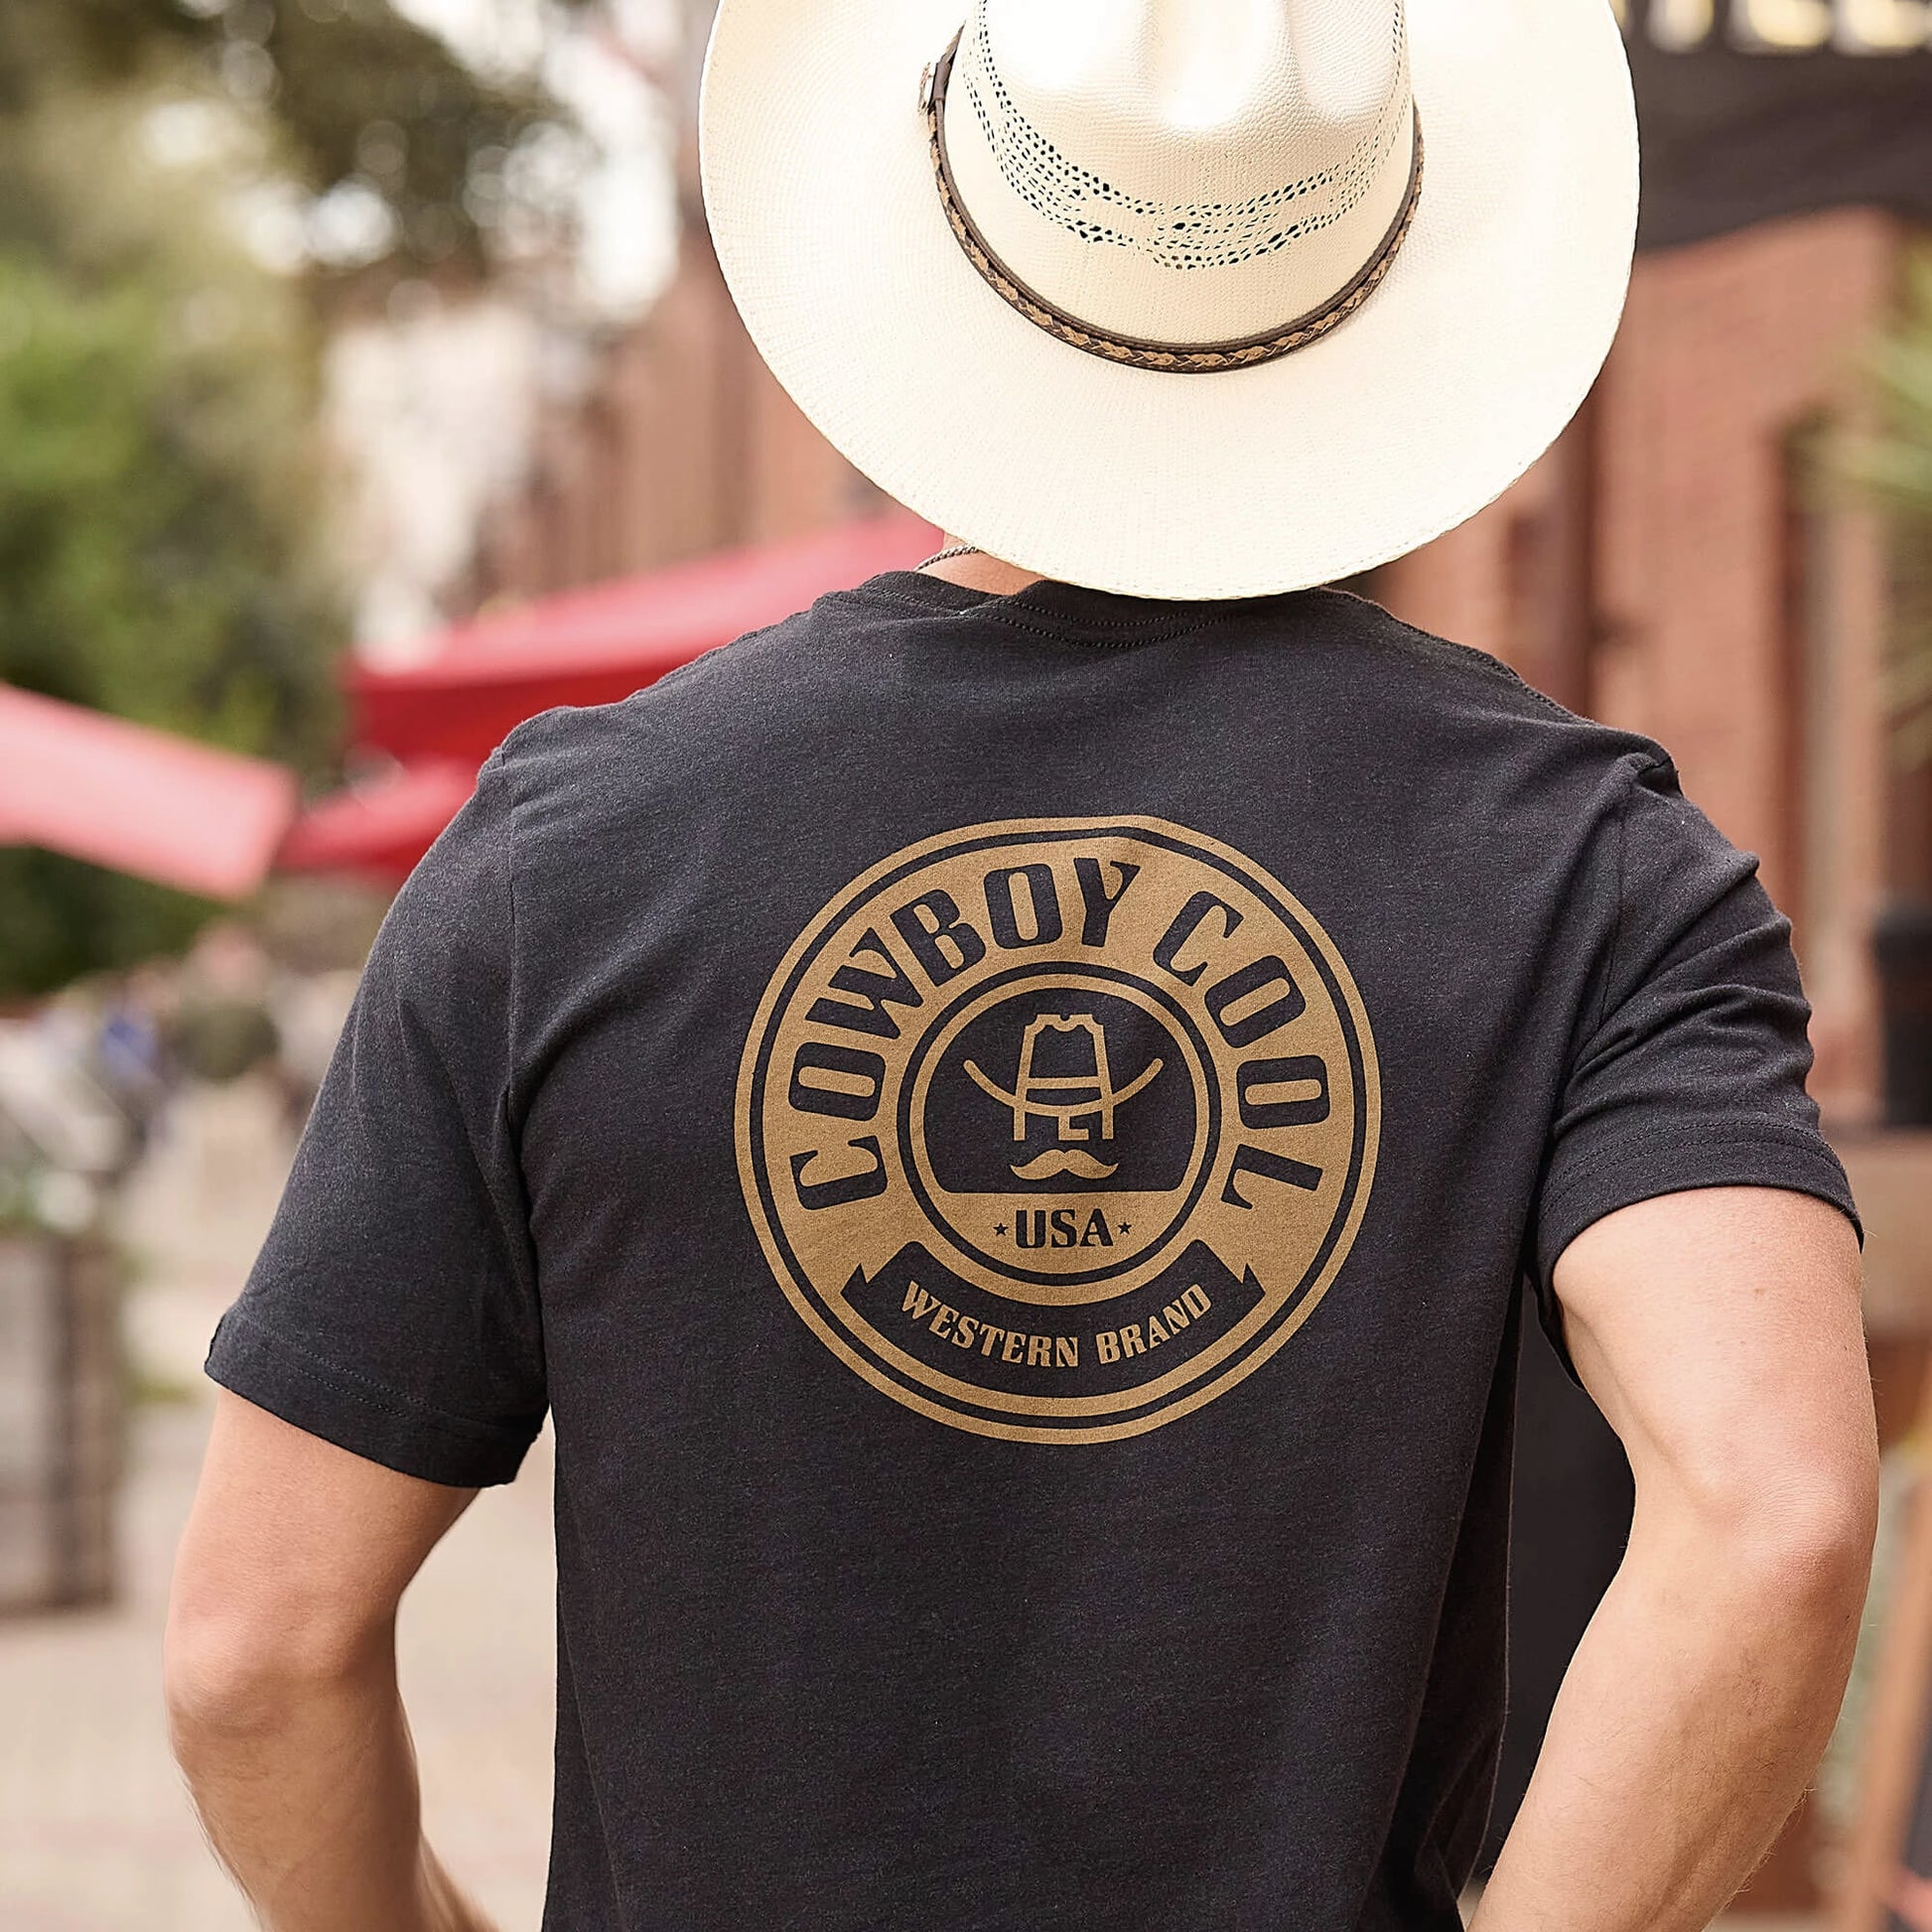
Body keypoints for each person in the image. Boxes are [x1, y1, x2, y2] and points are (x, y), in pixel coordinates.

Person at [164, 2, 1878, 1929]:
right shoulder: (1591, 868)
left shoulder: (573, 847)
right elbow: (1774, 1512)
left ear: (936, 254)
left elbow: (254, 1649)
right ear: (1390, 278)